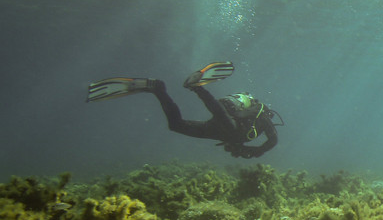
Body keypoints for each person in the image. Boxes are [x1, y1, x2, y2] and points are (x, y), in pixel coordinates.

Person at [87, 61, 281, 159]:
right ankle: (197, 87)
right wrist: (255, 152)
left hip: (217, 129)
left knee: (176, 125)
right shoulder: (262, 117)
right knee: (224, 120)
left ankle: (157, 89)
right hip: (225, 124)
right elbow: (273, 140)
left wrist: (244, 150)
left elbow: (262, 141)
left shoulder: (255, 118)